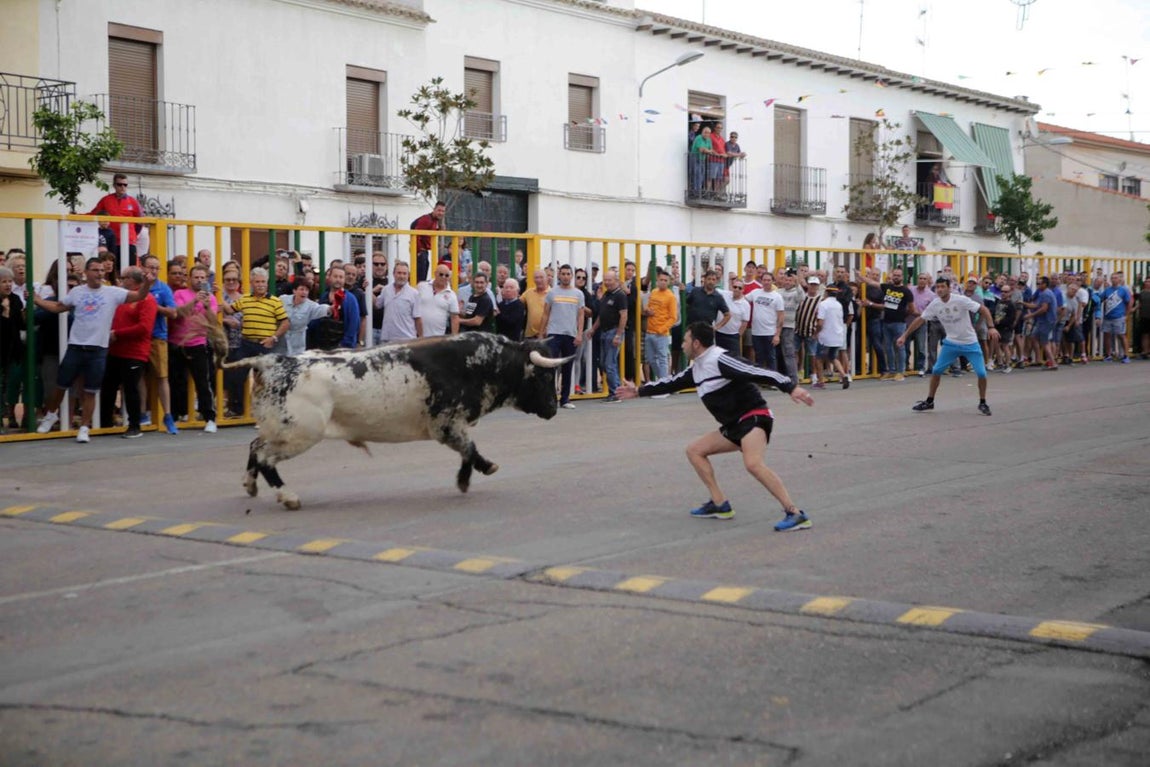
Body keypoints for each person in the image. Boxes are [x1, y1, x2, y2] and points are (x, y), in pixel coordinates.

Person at [616, 322, 815, 531]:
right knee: (695, 450)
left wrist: (791, 387)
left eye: (685, 341)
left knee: (753, 464)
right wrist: (638, 391)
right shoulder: (698, 368)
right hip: (733, 425)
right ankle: (720, 504)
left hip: (754, 416)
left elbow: (755, 371)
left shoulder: (720, 359)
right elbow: (670, 383)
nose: (682, 345)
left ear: (696, 343)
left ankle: (795, 513)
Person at [33, 258, 151, 441]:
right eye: (95, 270)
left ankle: (84, 428)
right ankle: (51, 415)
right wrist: (37, 300)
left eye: (102, 270)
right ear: (86, 273)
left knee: (91, 390)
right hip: (76, 345)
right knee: (61, 384)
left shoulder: (113, 292)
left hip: (98, 349)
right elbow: (58, 307)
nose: (100, 273)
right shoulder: (78, 292)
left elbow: (139, 296)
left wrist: (147, 284)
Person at [897, 276, 998, 416]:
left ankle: (982, 402)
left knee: (981, 373)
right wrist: (904, 336)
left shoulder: (960, 300)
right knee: (936, 371)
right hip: (951, 343)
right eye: (937, 287)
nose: (939, 290)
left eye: (943, 287)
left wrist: (991, 327)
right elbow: (920, 319)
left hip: (970, 342)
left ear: (949, 288)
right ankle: (929, 401)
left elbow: (984, 309)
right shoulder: (935, 304)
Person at [99, 267, 156, 438]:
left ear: (133, 280)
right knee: (108, 388)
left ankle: (135, 425)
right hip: (116, 350)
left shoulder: (146, 299)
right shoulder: (122, 297)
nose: (121, 280)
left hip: (134, 352)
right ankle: (105, 423)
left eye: (124, 277)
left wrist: (117, 334)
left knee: (131, 389)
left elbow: (144, 327)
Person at [169, 264, 220, 432]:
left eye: (202, 278)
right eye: (196, 277)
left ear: (207, 279)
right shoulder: (180, 293)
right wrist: (195, 300)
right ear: (189, 279)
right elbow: (179, 313)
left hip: (198, 343)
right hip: (177, 342)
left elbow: (213, 322)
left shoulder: (211, 298)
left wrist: (205, 305)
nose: (199, 280)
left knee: (203, 382)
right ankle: (177, 415)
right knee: (177, 382)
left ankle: (210, 418)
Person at [140, 256, 180, 434]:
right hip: (138, 337)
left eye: (157, 268)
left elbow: (173, 313)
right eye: (150, 267)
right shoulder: (136, 284)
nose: (154, 271)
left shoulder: (163, 288)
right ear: (143, 268)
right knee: (138, 377)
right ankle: (141, 414)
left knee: (162, 377)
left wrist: (152, 306)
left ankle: (168, 415)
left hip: (157, 337)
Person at [539, 264, 585, 409]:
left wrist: (579, 334)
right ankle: (550, 398)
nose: (565, 276)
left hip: (570, 334)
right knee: (551, 367)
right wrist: (541, 333)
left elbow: (581, 315)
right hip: (554, 334)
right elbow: (546, 313)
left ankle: (565, 399)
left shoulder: (578, 294)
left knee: (567, 367)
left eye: (568, 274)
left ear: (571, 276)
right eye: (563, 274)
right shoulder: (552, 293)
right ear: (559, 275)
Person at [220, 267, 290, 360]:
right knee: (235, 372)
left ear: (267, 283)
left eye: (263, 281)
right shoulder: (245, 299)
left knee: (263, 374)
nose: (260, 285)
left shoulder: (275, 301)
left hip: (264, 344)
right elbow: (229, 310)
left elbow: (285, 323)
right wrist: (218, 294)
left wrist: (273, 338)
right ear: (251, 283)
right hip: (246, 344)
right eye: (257, 282)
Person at [591, 269, 629, 403]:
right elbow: (602, 315)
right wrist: (593, 329)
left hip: (613, 332)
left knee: (610, 363)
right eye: (605, 280)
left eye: (610, 280)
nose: (607, 282)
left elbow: (624, 315)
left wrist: (618, 335)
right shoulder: (606, 294)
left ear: (616, 281)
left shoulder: (620, 295)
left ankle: (616, 393)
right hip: (604, 332)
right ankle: (615, 391)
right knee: (603, 363)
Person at [88, 173, 142, 263]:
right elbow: (94, 214)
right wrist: (75, 216)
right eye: (119, 184)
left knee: (129, 270)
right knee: (112, 270)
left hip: (129, 242)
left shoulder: (133, 202)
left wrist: (132, 235)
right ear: (114, 185)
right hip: (112, 241)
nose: (122, 187)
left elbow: (140, 222)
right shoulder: (106, 200)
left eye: (125, 185)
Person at [643, 269, 678, 383]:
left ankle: (663, 385)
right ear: (657, 281)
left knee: (662, 359)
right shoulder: (653, 292)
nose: (663, 282)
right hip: (649, 331)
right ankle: (664, 381)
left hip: (661, 334)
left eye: (665, 280)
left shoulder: (670, 296)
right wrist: (648, 311)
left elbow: (673, 317)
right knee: (651, 359)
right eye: (661, 280)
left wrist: (662, 329)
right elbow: (647, 307)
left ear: (668, 282)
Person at [278, 279, 330, 355]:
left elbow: (321, 309)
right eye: (301, 289)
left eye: (306, 290)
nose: (304, 292)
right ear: (294, 290)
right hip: (281, 342)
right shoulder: (283, 299)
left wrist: (331, 308)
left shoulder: (311, 305)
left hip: (297, 345)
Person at [746, 271, 785, 371]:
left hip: (770, 332)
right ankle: (761, 380)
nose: (766, 282)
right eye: (764, 280)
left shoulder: (777, 296)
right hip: (756, 332)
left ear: (772, 281)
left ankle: (773, 381)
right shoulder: (755, 293)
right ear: (761, 281)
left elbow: (781, 316)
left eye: (768, 280)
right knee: (759, 358)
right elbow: (743, 300)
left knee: (771, 358)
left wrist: (777, 335)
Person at [375, 261, 422, 342]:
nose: (401, 276)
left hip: (407, 339)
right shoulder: (386, 290)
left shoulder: (414, 293)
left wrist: (421, 338)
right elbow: (377, 305)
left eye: (404, 273)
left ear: (408, 275)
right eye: (399, 273)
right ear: (394, 274)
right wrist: (369, 291)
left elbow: (417, 318)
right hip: (387, 339)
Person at [813, 289, 850, 390]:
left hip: (825, 335)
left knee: (819, 358)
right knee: (833, 357)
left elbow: (820, 322)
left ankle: (821, 381)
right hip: (837, 335)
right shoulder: (838, 305)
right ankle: (844, 375)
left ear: (826, 293)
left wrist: (816, 332)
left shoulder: (823, 304)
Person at [417, 264, 460, 337]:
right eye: (441, 274)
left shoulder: (452, 295)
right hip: (417, 335)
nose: (443, 277)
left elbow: (455, 318)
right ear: (435, 274)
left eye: (447, 275)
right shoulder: (421, 286)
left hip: (438, 338)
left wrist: (454, 338)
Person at [1100, 272, 1133, 362]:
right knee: (1107, 335)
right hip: (1108, 317)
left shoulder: (1123, 290)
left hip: (1119, 317)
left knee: (1121, 335)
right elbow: (1100, 299)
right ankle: (1108, 355)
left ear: (1119, 279)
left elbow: (1129, 302)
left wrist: (1126, 314)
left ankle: (1126, 355)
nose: (1114, 279)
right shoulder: (1107, 290)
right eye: (1112, 278)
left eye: (1116, 278)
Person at [412, 201, 446, 283]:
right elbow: (416, 233)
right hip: (421, 250)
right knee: (420, 277)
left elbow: (428, 232)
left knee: (423, 276)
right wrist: (419, 250)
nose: (441, 213)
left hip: (424, 251)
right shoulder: (426, 219)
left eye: (443, 211)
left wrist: (439, 230)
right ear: (434, 209)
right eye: (439, 210)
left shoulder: (434, 220)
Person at [715, 279, 750, 356]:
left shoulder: (745, 304)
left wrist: (738, 336)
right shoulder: (724, 294)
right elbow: (713, 289)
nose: (737, 289)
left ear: (743, 290)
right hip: (719, 334)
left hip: (733, 336)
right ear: (731, 287)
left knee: (734, 360)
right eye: (735, 287)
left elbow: (744, 323)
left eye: (739, 288)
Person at [522, 269, 550, 339]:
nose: (538, 280)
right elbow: (517, 303)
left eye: (541, 277)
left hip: (547, 335)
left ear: (546, 278)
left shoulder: (553, 294)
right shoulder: (528, 293)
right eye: (536, 277)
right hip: (530, 336)